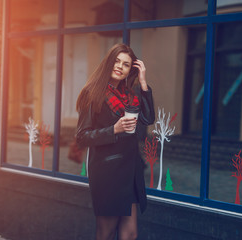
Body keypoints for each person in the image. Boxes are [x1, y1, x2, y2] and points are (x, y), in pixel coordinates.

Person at [75, 43, 155, 240]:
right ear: (108, 63)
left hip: (130, 170)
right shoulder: (92, 93)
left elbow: (148, 118)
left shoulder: (130, 95)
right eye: (117, 61)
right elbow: (82, 136)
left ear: (131, 70)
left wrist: (143, 83)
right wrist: (114, 129)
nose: (120, 67)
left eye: (126, 64)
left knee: (130, 233)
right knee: (107, 232)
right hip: (107, 172)